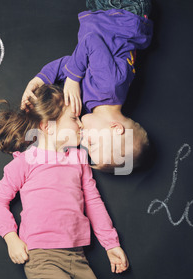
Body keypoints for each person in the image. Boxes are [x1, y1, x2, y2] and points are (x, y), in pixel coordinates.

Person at [0, 84, 129, 279]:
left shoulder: (79, 159)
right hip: (42, 259)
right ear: (48, 127)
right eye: (74, 118)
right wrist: (11, 237)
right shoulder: (26, 162)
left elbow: (94, 202)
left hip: (78, 257)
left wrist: (111, 244)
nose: (81, 124)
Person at [21, 0, 153, 174]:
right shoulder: (110, 86)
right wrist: (73, 80)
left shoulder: (93, 103)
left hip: (106, 15)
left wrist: (40, 79)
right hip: (120, 8)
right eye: (92, 144)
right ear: (115, 128)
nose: (84, 142)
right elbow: (90, 40)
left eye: (87, 147)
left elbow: (73, 62)